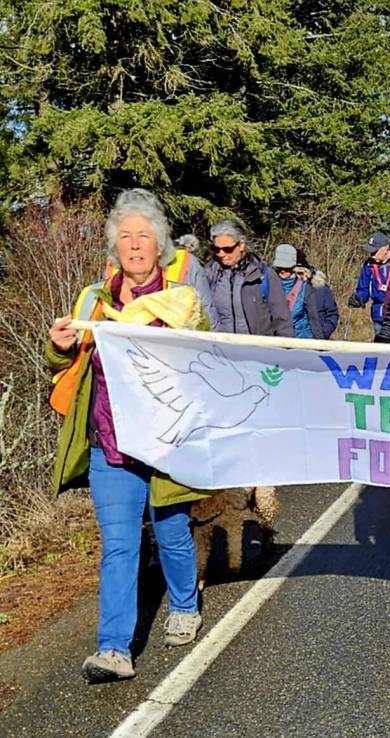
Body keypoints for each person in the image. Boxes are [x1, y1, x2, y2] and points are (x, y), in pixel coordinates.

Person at [46, 189, 206, 683]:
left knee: (172, 532)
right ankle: (113, 648)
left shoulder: (183, 301)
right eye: (125, 236)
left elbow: (208, 365)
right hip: (109, 442)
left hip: (165, 443)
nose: (134, 244)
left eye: (144, 236)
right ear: (114, 246)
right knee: (119, 544)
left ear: (161, 246)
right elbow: (66, 363)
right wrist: (58, 347)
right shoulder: (93, 300)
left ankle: (185, 604)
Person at [204, 219, 294, 337]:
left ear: (241, 245)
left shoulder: (263, 275)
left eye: (227, 249)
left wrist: (284, 346)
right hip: (220, 346)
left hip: (257, 347)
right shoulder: (209, 275)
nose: (221, 254)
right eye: (216, 249)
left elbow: (283, 321)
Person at [348, 231, 390, 336]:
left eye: (374, 252)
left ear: (385, 249)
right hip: (378, 315)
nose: (371, 255)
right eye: (370, 252)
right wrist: (358, 298)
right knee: (380, 344)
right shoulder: (368, 265)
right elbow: (363, 289)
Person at [294, 248, 339, 339]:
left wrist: (323, 333)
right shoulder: (281, 289)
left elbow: (332, 314)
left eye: (301, 273)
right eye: (294, 274)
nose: (298, 277)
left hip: (316, 339)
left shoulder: (321, 289)